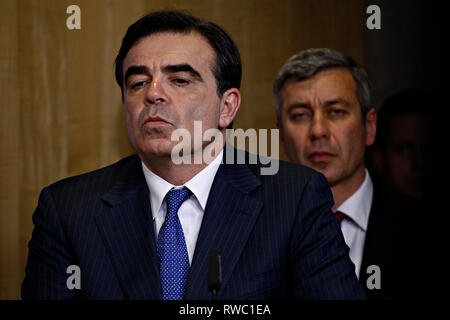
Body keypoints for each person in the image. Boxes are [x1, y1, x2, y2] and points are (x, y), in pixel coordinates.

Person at [22, 11, 363, 300]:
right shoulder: (68, 210)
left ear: (226, 107)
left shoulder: (294, 197)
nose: (153, 94)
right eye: (138, 83)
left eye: (180, 80)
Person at [273, 48, 423, 299]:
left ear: (369, 127)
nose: (318, 131)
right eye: (300, 115)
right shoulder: (253, 231)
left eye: (336, 112)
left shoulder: (422, 225)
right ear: (281, 138)